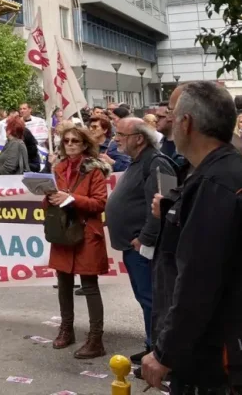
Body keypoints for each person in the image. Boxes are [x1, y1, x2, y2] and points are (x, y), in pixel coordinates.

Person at [141, 82, 242, 394]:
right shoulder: (220, 172)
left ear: (186, 122)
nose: (169, 121)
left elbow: (199, 280)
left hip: (214, 357)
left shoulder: (215, 183)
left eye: (173, 114)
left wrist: (165, 352)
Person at [104, 117, 176, 366]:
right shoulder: (139, 161)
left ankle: (159, 354)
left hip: (145, 247)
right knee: (146, 299)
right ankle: (151, 345)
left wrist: (144, 238)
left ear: (139, 138)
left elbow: (165, 205)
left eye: (121, 135)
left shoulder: (157, 163)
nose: (116, 139)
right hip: (135, 246)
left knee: (153, 301)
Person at [45, 125, 110, 359]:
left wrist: (71, 198)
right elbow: (50, 203)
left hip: (86, 233)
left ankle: (96, 339)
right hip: (63, 232)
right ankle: (66, 329)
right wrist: (49, 197)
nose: (70, 144)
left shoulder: (94, 170)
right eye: (67, 141)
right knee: (63, 282)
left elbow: (99, 204)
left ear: (84, 144)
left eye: (75, 141)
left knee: (89, 285)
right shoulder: (58, 168)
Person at [154, 102, 185, 167]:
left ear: (171, 117)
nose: (156, 120)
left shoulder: (186, 145)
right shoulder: (157, 145)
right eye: (156, 116)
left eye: (160, 117)